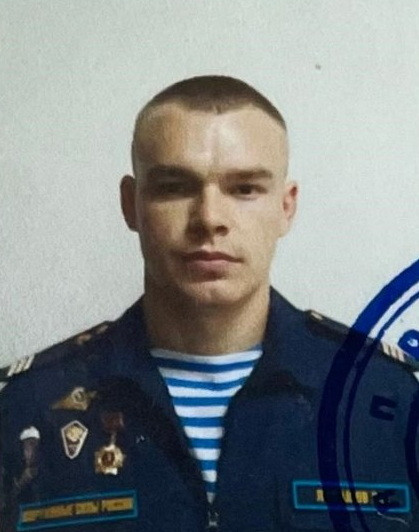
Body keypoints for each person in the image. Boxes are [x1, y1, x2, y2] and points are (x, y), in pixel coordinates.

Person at [1, 75, 418, 532]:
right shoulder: (24, 409)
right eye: (174, 187)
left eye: (244, 189)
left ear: (286, 207)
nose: (209, 219)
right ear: (130, 204)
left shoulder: (392, 399)